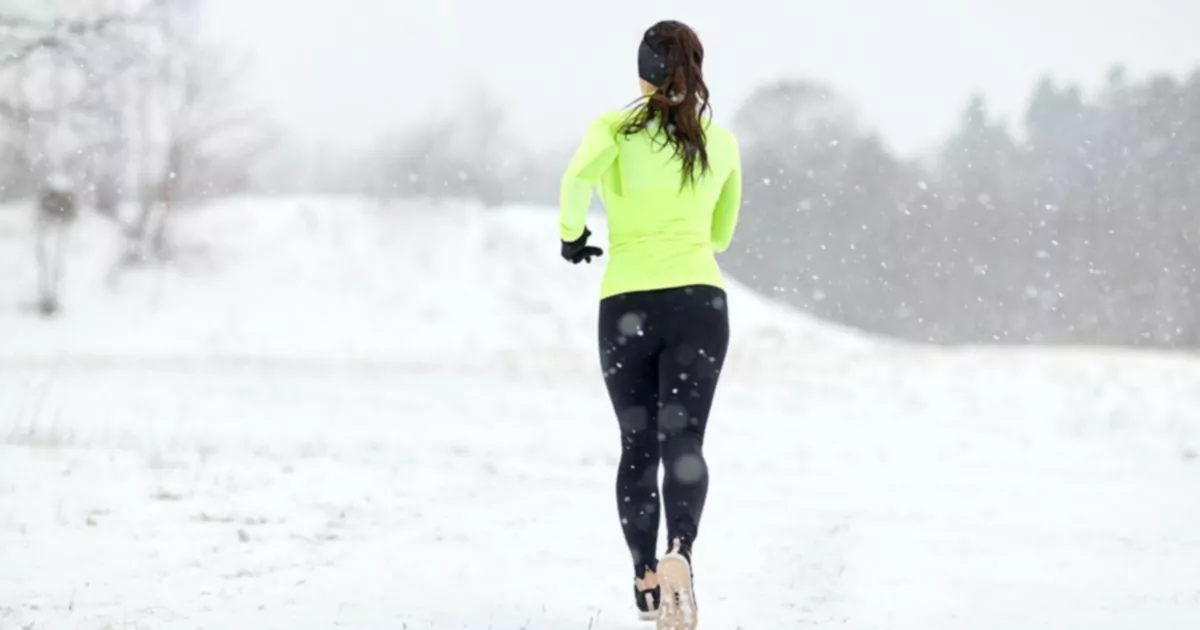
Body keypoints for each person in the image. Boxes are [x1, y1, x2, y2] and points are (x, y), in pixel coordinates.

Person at [557, 19, 741, 630]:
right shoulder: (723, 142)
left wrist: (573, 236)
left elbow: (575, 180)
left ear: (641, 73)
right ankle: (680, 552)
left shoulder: (614, 129)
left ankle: (643, 574)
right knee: (683, 441)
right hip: (700, 305)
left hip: (628, 305)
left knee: (638, 445)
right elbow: (721, 234)